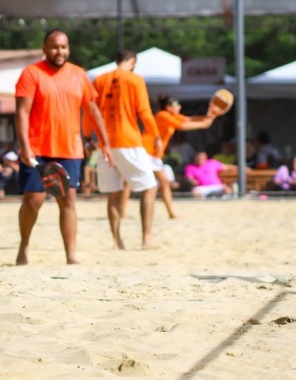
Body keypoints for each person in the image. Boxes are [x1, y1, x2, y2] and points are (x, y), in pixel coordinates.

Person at [14, 29, 113, 265]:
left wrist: (105, 142)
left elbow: (93, 110)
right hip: (37, 148)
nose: (61, 51)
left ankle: (71, 255)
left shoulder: (79, 75)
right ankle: (24, 246)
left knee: (67, 200)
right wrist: (25, 146)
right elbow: (21, 113)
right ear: (45, 48)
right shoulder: (31, 73)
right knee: (33, 201)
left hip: (70, 149)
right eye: (55, 46)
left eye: (64, 47)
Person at [92, 48, 160, 250]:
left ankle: (116, 241)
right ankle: (146, 238)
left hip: (105, 144)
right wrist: (155, 134)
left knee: (113, 193)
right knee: (149, 187)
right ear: (132, 61)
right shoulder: (135, 79)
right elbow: (144, 111)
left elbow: (90, 111)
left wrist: (89, 137)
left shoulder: (99, 80)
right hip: (128, 140)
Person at [138, 94, 215, 219]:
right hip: (146, 152)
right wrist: (203, 124)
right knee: (143, 183)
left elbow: (188, 119)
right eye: (176, 105)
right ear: (168, 107)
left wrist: (207, 117)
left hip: (154, 156)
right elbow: (183, 126)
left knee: (163, 182)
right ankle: (170, 213)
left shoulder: (172, 115)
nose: (179, 107)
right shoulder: (163, 115)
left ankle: (171, 213)